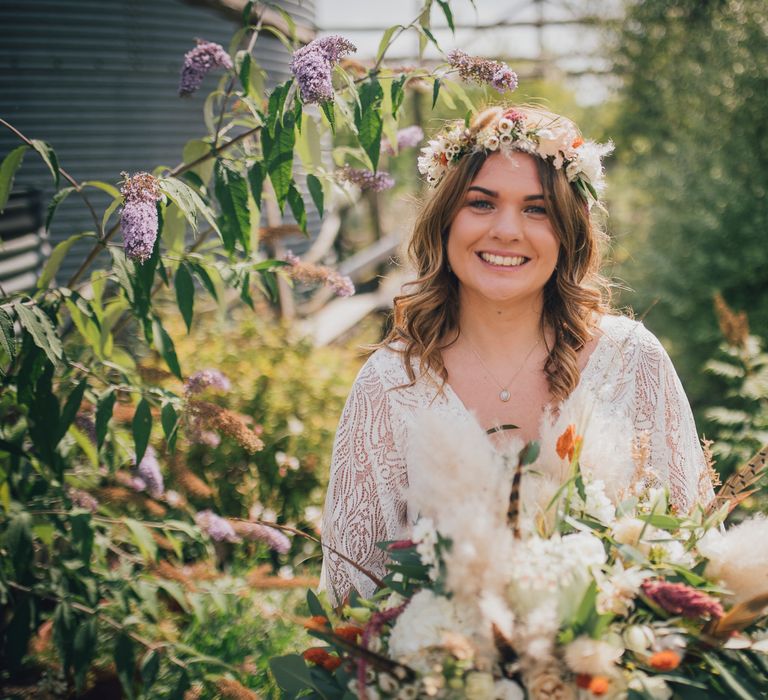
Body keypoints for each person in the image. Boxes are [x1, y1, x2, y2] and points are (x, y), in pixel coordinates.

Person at [319, 105, 716, 607]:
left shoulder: (632, 360)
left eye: (537, 209)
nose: (507, 230)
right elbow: (349, 600)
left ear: (568, 231)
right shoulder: (390, 384)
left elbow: (691, 553)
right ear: (445, 220)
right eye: (481, 203)